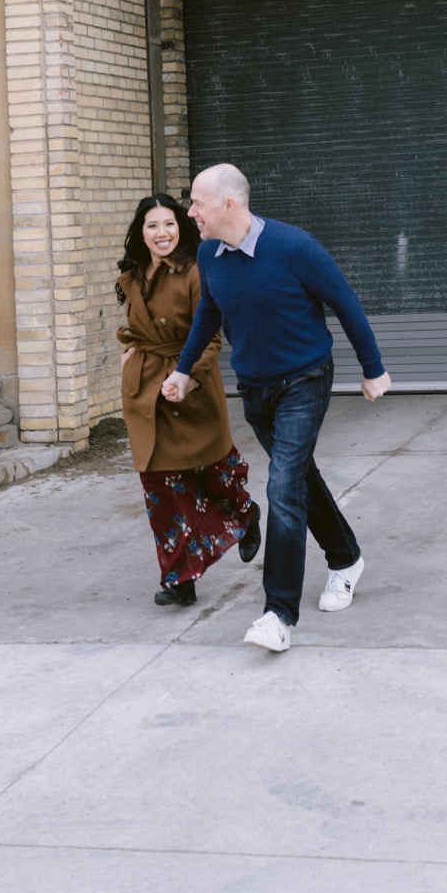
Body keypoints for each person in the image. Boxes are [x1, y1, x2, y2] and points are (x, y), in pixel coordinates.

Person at [167, 163, 392, 653]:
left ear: (229, 204)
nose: (191, 212)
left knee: (283, 486)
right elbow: (210, 310)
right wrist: (183, 371)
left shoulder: (294, 247)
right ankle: (346, 557)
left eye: (197, 203)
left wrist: (372, 369)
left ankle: (278, 614)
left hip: (305, 379)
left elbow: (345, 301)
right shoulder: (209, 254)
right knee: (299, 479)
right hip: (255, 387)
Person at [116, 192, 261, 607]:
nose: (162, 233)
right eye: (152, 226)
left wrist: (188, 378)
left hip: (188, 382)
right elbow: (138, 327)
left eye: (169, 224)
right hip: (146, 390)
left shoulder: (197, 271)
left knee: (212, 471)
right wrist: (131, 351)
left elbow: (212, 338)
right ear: (140, 234)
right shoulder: (135, 273)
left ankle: (246, 514)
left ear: (181, 227)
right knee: (160, 487)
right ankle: (180, 578)